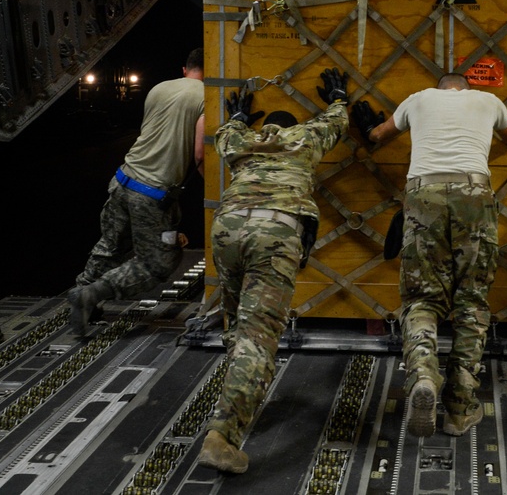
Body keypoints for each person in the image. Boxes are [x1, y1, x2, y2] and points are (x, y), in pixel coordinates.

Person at [352, 74, 507, 438]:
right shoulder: (488, 101)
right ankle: (459, 409)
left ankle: (424, 375)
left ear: (440, 89)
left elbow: (378, 135)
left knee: (422, 299)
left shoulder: (417, 98)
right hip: (474, 194)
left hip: (423, 193)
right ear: (464, 88)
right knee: (472, 301)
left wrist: (369, 128)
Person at [197, 68, 349, 474]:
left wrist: (239, 117)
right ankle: (224, 434)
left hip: (228, 227)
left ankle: (243, 394)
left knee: (237, 322)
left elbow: (223, 135)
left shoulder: (242, 141)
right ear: (291, 128)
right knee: (258, 334)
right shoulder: (304, 137)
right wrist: (337, 97)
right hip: (276, 228)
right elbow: (336, 123)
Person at [69, 47, 206, 335]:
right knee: (158, 262)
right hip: (152, 195)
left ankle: (82, 298)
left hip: (122, 179)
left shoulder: (158, 88)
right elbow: (199, 154)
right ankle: (92, 294)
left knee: (111, 247)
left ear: (185, 69)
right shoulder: (208, 97)